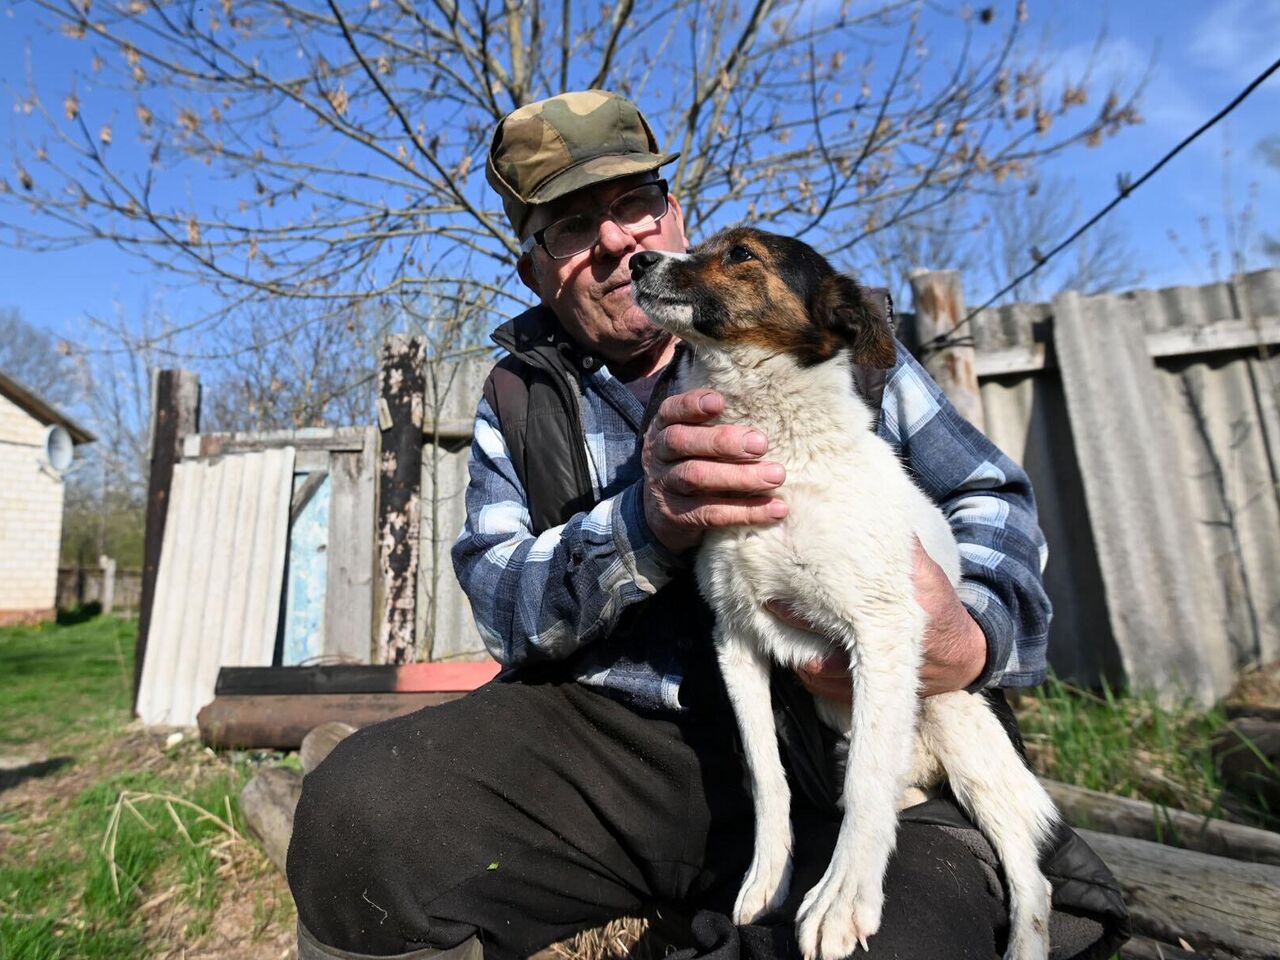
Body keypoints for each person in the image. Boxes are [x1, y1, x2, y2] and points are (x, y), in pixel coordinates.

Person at [286, 90, 1128, 960]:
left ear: (672, 211)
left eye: (632, 204)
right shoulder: (520, 396)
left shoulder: (821, 339)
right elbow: (502, 607)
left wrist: (968, 633)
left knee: (896, 937)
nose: (617, 241)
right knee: (360, 817)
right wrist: (642, 525)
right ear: (534, 266)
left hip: (859, 738)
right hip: (626, 745)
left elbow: (992, 498)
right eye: (571, 226)